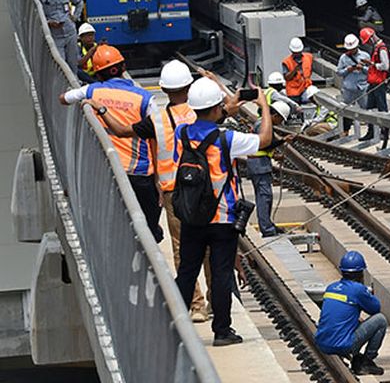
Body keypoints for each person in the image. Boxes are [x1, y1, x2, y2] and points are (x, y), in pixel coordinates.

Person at [91, 59, 222, 322]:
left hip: (174, 190)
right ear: (190, 85)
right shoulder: (205, 112)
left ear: (163, 89)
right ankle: (213, 303)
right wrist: (212, 80)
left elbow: (120, 130)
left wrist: (101, 108)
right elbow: (229, 103)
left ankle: (195, 306)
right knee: (210, 246)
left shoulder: (157, 120)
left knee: (180, 248)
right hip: (206, 190)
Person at [174, 78, 272, 346]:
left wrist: (228, 105)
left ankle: (177, 327)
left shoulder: (181, 134)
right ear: (216, 107)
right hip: (222, 217)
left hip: (192, 215)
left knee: (187, 270)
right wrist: (262, 105)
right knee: (220, 273)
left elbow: (178, 157)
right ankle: (222, 331)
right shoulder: (227, 138)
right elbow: (265, 139)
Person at [58, 45, 164, 243]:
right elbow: (157, 136)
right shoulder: (145, 98)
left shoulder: (92, 91)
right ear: (123, 67)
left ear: (98, 73)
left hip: (105, 170)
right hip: (139, 173)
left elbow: (63, 98)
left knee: (113, 227)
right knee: (148, 231)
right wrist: (159, 179)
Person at [315, 251, 387, 375]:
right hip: (342, 346)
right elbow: (375, 309)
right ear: (360, 274)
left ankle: (352, 355)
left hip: (322, 343)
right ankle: (366, 361)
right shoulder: (358, 289)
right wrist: (367, 293)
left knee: (351, 319)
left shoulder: (331, 287)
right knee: (380, 320)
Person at [244, 100, 289, 237]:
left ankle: (268, 224)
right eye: (280, 119)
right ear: (275, 115)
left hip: (261, 163)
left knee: (266, 196)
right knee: (264, 197)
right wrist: (283, 141)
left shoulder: (263, 123)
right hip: (258, 165)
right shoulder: (262, 125)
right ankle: (267, 228)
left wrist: (275, 155)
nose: (280, 123)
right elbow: (265, 144)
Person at [37, 0, 83, 73]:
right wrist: (48, 23)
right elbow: (37, 17)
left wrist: (75, 17)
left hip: (70, 33)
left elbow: (79, 2)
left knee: (73, 63)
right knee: (61, 65)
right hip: (55, 36)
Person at [359, 28, 390, 147]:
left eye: (367, 41)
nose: (367, 43)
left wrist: (372, 64)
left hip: (379, 83)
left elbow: (385, 66)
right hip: (373, 82)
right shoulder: (376, 48)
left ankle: (384, 131)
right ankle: (371, 131)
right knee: (369, 108)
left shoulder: (382, 48)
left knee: (382, 108)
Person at [337, 33, 370, 135]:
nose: (351, 51)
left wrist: (362, 68)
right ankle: (346, 130)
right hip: (349, 88)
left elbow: (371, 71)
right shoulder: (343, 58)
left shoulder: (365, 56)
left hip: (362, 87)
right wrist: (348, 69)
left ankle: (371, 130)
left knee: (366, 110)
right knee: (346, 110)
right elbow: (339, 72)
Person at [282, 37, 316, 103]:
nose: (297, 54)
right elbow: (286, 77)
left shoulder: (309, 57)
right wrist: (295, 70)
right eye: (295, 52)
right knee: (295, 109)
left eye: (298, 52)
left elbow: (310, 70)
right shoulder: (287, 61)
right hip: (293, 91)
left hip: (306, 87)